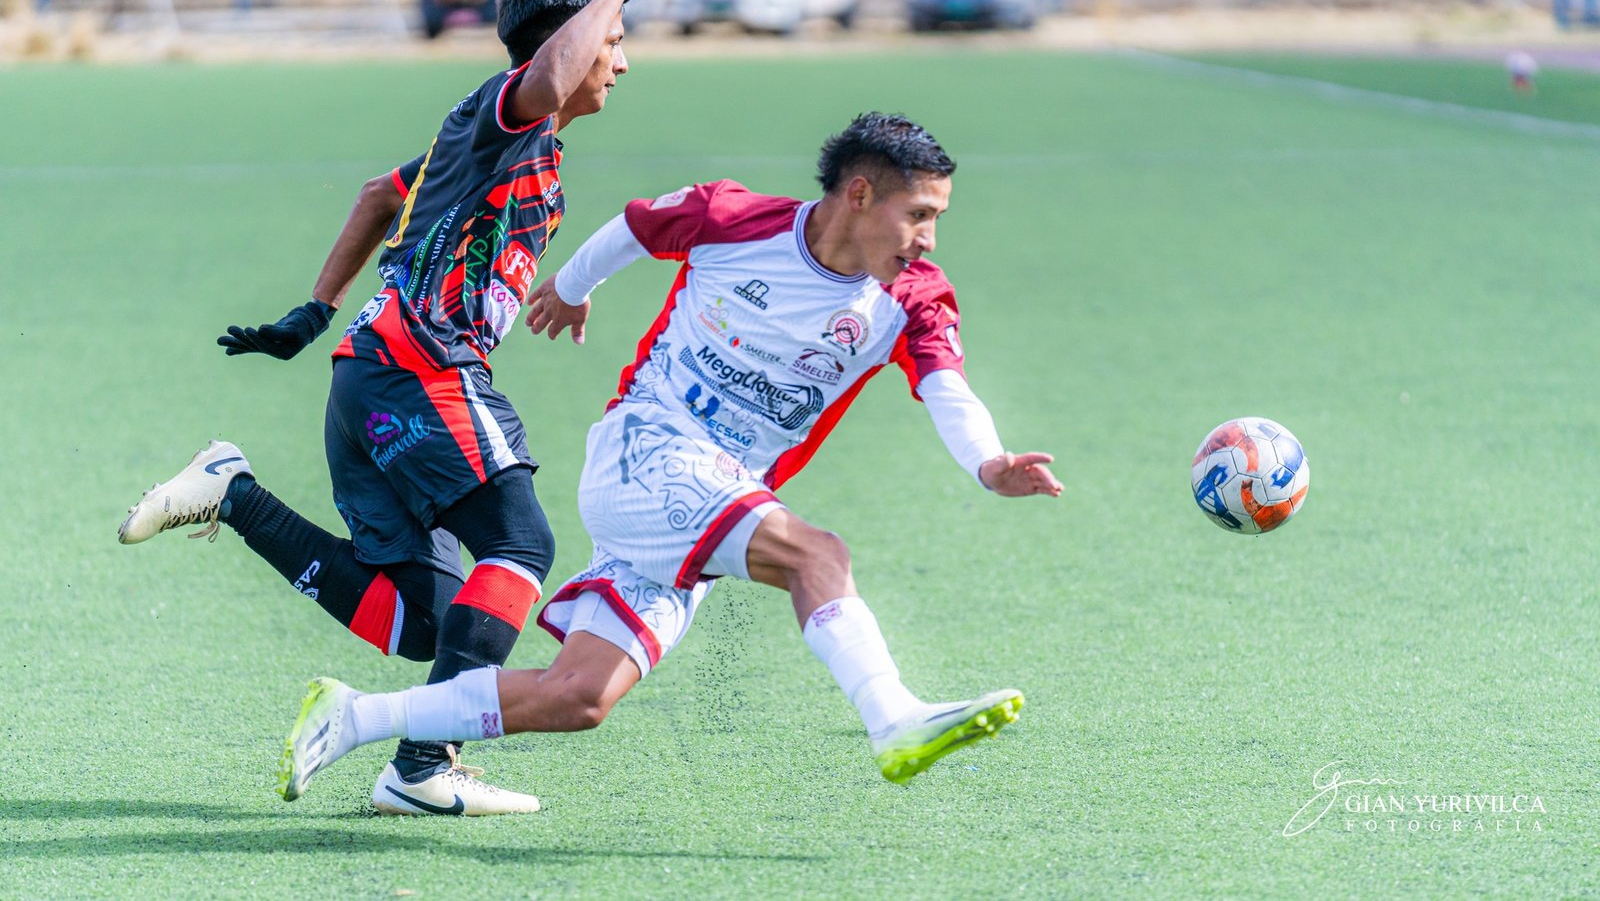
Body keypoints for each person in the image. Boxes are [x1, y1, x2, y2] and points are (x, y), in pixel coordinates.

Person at [275, 112, 1064, 804]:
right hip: (646, 449)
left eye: (937, 220)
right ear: (859, 195)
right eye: (918, 215)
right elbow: (637, 227)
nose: (928, 239)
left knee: (579, 696)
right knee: (818, 553)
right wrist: (575, 287)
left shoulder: (914, 295)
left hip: (716, 491)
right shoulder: (734, 216)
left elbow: (947, 385)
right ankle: (893, 718)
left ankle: (356, 717)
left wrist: (990, 463)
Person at [114, 0, 707, 816]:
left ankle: (233, 494)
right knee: (520, 545)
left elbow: (377, 196)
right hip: (417, 373)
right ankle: (422, 765)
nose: (620, 60)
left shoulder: (495, 137)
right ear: (566, 43)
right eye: (613, 39)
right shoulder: (509, 107)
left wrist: (314, 312)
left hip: (368, 375)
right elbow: (539, 77)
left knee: (427, 619)